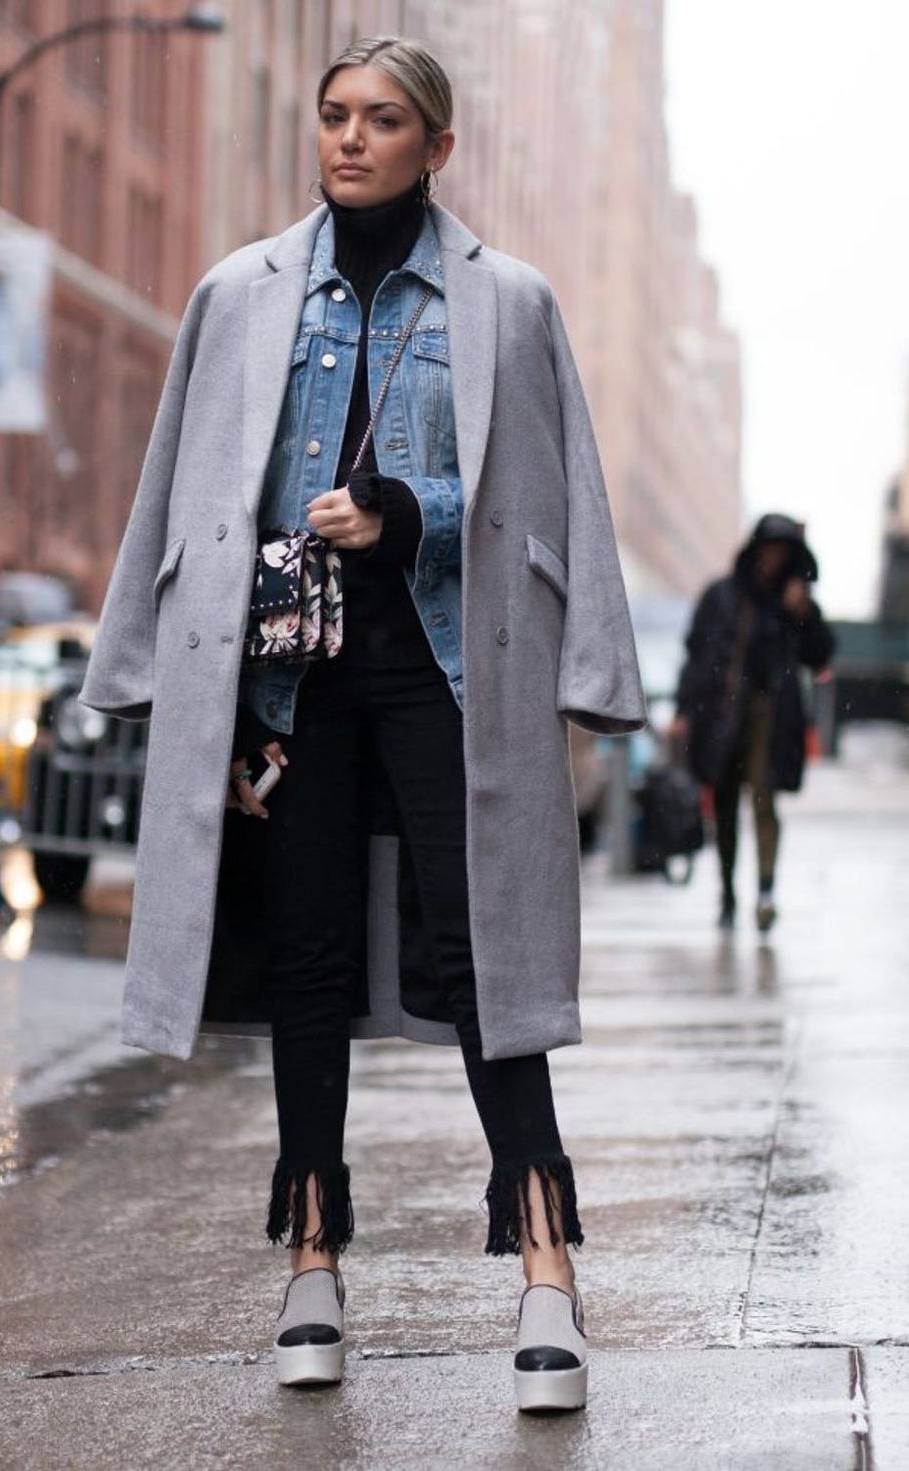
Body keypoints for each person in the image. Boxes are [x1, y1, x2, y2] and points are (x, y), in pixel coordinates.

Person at [79, 36, 645, 1413]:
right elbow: (186, 486)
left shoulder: (507, 301)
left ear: (435, 146)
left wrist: (409, 512)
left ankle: (546, 1264)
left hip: (449, 668)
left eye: (381, 119)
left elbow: (550, 491)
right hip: (294, 675)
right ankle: (314, 1262)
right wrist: (143, 659)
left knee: (484, 957)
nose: (348, 139)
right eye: (334, 115)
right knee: (310, 959)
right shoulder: (240, 292)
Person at [670, 514, 834, 931]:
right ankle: (727, 893)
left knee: (764, 797)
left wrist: (805, 613)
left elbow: (820, 654)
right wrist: (684, 711)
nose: (773, 559)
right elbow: (696, 658)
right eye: (769, 549)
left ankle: (765, 891)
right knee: (724, 801)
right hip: (723, 711)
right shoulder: (722, 596)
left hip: (772, 715)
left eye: (782, 552)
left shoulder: (792, 601)